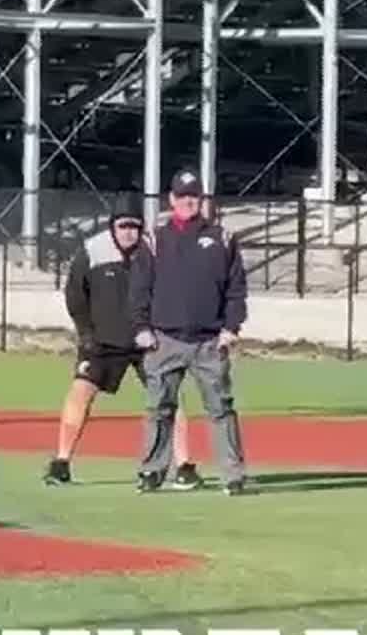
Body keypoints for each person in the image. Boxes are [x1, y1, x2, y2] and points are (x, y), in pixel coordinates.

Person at [47, 211, 196, 488]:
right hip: (103, 342)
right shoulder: (92, 250)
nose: (129, 232)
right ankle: (61, 462)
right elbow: (75, 295)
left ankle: (185, 466)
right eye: (123, 226)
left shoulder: (153, 250)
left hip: (147, 340)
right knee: (80, 392)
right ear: (112, 227)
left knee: (170, 398)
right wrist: (86, 334)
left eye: (135, 227)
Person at [131, 168, 251, 497]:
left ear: (202, 200)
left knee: (221, 409)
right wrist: (141, 327)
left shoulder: (223, 238)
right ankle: (152, 470)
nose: (188, 202)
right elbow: (140, 287)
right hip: (164, 338)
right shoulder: (154, 239)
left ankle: (234, 475)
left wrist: (231, 327)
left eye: (193, 196)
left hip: (209, 340)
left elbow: (236, 289)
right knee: (159, 408)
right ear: (171, 199)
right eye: (182, 196)